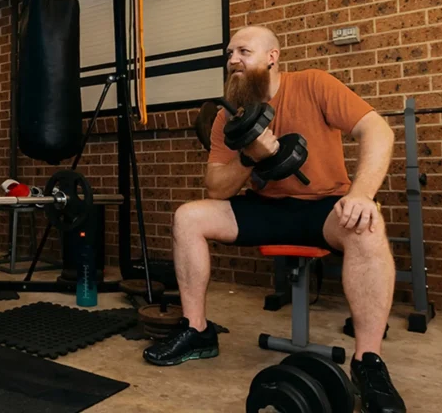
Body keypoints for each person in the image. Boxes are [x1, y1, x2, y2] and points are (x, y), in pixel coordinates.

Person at [143, 26, 407, 413]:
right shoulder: (227, 117)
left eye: (244, 51)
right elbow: (216, 187)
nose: (233, 59)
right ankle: (197, 330)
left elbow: (377, 130)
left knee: (367, 226)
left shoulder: (313, 84)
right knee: (189, 217)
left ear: (272, 57)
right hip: (266, 207)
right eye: (230, 53)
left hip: (324, 205)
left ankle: (368, 362)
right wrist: (249, 156)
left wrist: (361, 194)